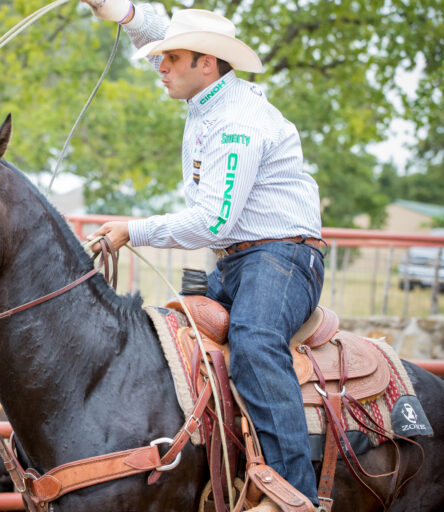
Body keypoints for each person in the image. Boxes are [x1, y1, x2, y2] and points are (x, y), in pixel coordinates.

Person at [81, 2, 326, 511]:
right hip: (242, 261)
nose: (160, 67)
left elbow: (215, 221)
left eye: (171, 59)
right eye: (161, 57)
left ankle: (295, 494)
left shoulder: (238, 122)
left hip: (281, 259)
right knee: (164, 338)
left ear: (207, 63)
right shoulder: (210, 94)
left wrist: (134, 229)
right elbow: (162, 39)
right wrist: (120, 10)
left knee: (256, 345)